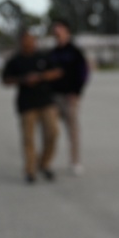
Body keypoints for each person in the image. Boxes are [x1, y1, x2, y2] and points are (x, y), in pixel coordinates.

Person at [0, 32, 60, 183]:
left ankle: (44, 163)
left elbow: (57, 72)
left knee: (52, 133)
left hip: (46, 101)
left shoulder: (43, 57)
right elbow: (5, 80)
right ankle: (30, 170)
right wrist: (23, 80)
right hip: (27, 104)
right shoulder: (15, 60)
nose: (28, 43)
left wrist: (40, 77)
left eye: (31, 40)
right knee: (28, 139)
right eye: (25, 41)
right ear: (21, 42)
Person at [48, 19, 89, 175]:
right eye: (55, 30)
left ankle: (75, 161)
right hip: (53, 97)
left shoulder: (75, 52)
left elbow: (83, 73)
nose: (57, 32)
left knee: (72, 130)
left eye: (59, 29)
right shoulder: (52, 53)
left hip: (70, 97)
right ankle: (46, 161)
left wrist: (77, 92)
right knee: (50, 130)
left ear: (67, 31)